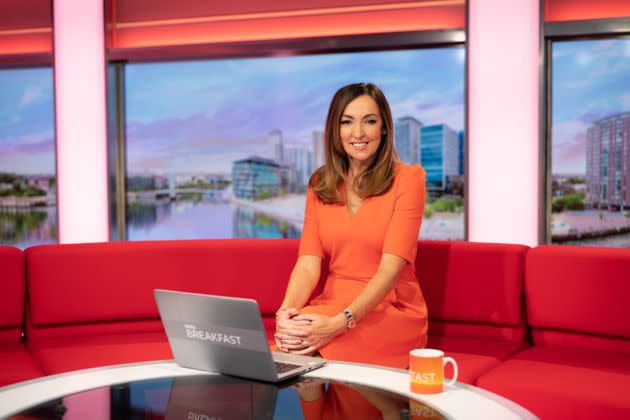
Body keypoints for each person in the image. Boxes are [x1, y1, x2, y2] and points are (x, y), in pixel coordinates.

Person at [273, 82, 427, 369]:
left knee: (308, 352)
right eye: (347, 122)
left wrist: (340, 323)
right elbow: (307, 264)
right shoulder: (319, 184)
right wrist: (286, 314)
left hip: (389, 309)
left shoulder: (409, 179)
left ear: (383, 128)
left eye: (369, 121)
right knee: (288, 349)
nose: (358, 133)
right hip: (332, 301)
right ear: (336, 129)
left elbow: (390, 270)